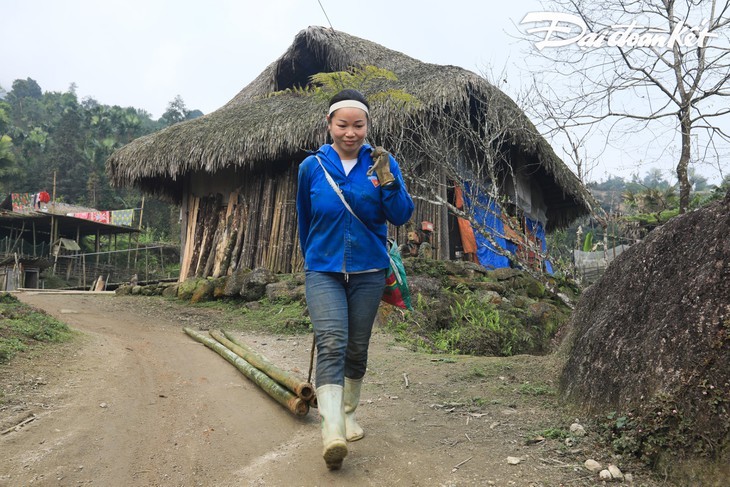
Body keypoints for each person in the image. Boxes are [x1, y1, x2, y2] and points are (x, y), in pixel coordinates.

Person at [296, 89, 414, 470]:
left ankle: (347, 413)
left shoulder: (381, 163)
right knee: (332, 341)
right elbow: (305, 218)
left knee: (356, 347)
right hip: (323, 270)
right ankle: (331, 429)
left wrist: (389, 181)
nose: (351, 133)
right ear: (329, 125)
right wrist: (313, 259)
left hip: (368, 271)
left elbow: (401, 215)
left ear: (367, 126)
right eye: (342, 125)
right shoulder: (311, 168)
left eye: (358, 125)